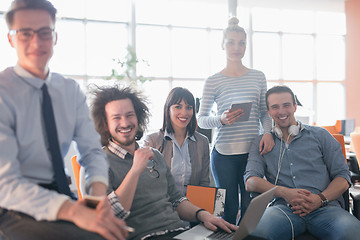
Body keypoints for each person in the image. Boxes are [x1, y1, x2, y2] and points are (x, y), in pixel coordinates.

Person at [0, 0, 127, 239]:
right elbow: (5, 184)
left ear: (55, 37)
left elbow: (92, 152)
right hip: (11, 204)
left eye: (44, 32)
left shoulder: (69, 91)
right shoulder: (2, 93)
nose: (37, 42)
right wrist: (74, 212)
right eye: (25, 33)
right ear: (11, 39)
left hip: (60, 194)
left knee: (112, 232)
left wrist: (97, 200)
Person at [90, 86, 237, 240]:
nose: (125, 123)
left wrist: (204, 215)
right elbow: (107, 216)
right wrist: (135, 171)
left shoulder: (156, 156)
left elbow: (176, 199)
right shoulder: (97, 162)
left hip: (180, 231)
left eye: (130, 115)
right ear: (105, 123)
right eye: (116, 117)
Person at [244, 85, 360, 240]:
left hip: (325, 208)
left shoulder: (321, 135)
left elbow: (343, 177)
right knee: (253, 234)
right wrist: (284, 193)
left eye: (286, 105)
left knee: (353, 233)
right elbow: (250, 182)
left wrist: (320, 199)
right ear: (269, 111)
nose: (282, 111)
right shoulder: (261, 142)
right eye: (275, 107)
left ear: (295, 106)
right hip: (283, 210)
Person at [197, 17, 274, 224]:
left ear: (246, 46)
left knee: (251, 207)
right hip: (223, 154)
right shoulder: (213, 80)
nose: (236, 47)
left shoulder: (258, 76)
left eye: (241, 43)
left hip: (252, 152)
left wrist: (267, 132)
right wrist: (221, 119)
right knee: (226, 208)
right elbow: (201, 120)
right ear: (222, 45)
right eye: (231, 42)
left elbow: (264, 114)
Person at [143, 87, 210, 195]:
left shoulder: (202, 142)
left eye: (189, 107)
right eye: (178, 107)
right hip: (163, 206)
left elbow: (204, 183)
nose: (184, 113)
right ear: (168, 109)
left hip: (193, 206)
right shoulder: (152, 141)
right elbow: (148, 183)